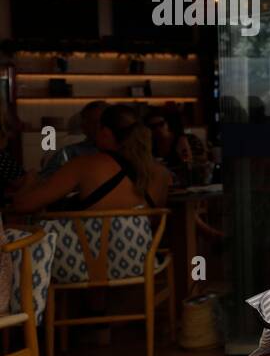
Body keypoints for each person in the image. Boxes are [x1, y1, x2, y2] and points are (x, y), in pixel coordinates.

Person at [10, 105, 171, 283]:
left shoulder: (83, 165)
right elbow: (153, 224)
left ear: (106, 132)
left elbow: (22, 205)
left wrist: (29, 180)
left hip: (81, 268)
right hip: (140, 262)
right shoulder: (161, 174)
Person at [40, 100, 107, 179]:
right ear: (83, 126)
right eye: (93, 122)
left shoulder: (120, 151)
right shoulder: (68, 153)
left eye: (103, 122)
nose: (98, 127)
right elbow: (47, 179)